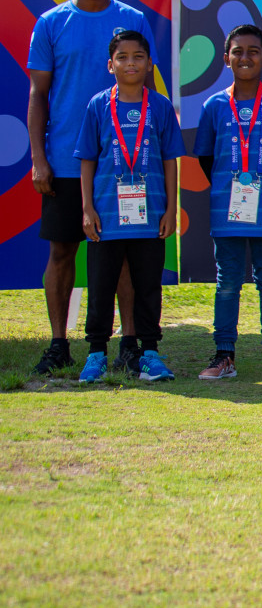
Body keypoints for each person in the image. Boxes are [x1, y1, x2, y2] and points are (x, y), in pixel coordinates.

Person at [27, 0, 157, 375]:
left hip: (127, 167)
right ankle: (58, 343)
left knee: (122, 255)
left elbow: (151, 95)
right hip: (65, 161)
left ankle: (130, 344)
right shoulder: (50, 23)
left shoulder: (133, 19)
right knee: (63, 251)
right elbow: (38, 95)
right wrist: (39, 158)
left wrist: (152, 159)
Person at [193, 25, 262, 381]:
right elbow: (206, 158)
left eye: (253, 51)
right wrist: (232, 190)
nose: (245, 57)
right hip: (227, 211)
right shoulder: (213, 106)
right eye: (238, 51)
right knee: (227, 283)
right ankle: (223, 355)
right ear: (226, 59)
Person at [74, 31, 182, 383]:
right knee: (101, 285)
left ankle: (149, 353)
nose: (130, 63)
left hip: (151, 218)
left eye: (138, 56)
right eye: (122, 57)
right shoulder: (98, 105)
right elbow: (88, 159)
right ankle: (95, 355)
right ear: (111, 64)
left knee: (148, 286)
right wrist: (87, 208)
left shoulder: (161, 107)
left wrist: (170, 208)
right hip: (106, 218)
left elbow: (170, 161)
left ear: (149, 63)